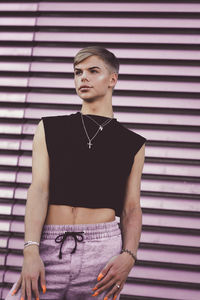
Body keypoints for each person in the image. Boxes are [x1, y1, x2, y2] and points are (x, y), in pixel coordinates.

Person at [5, 46, 146, 300]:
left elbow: (131, 207)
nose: (83, 77)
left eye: (93, 71)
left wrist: (129, 256)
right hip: (49, 246)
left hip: (102, 253)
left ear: (113, 79)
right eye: (78, 72)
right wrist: (30, 250)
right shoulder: (49, 127)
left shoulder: (133, 143)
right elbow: (39, 190)